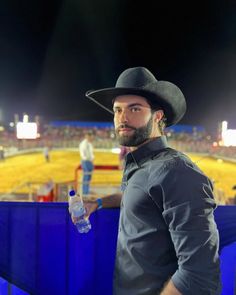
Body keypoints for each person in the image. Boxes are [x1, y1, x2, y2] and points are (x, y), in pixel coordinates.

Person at [72, 67, 221, 294]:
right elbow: (142, 196)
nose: (123, 117)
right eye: (118, 110)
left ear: (157, 116)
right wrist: (99, 203)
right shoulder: (143, 166)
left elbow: (198, 275)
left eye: (134, 109)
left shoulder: (177, 171)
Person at [79, 131, 94, 196]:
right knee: (86, 176)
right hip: (85, 161)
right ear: (87, 136)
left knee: (89, 177)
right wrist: (86, 159)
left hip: (90, 161)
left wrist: (91, 159)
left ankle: (86, 190)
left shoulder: (90, 144)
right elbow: (82, 153)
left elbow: (91, 153)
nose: (91, 138)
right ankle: (85, 192)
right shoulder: (83, 144)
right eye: (90, 137)